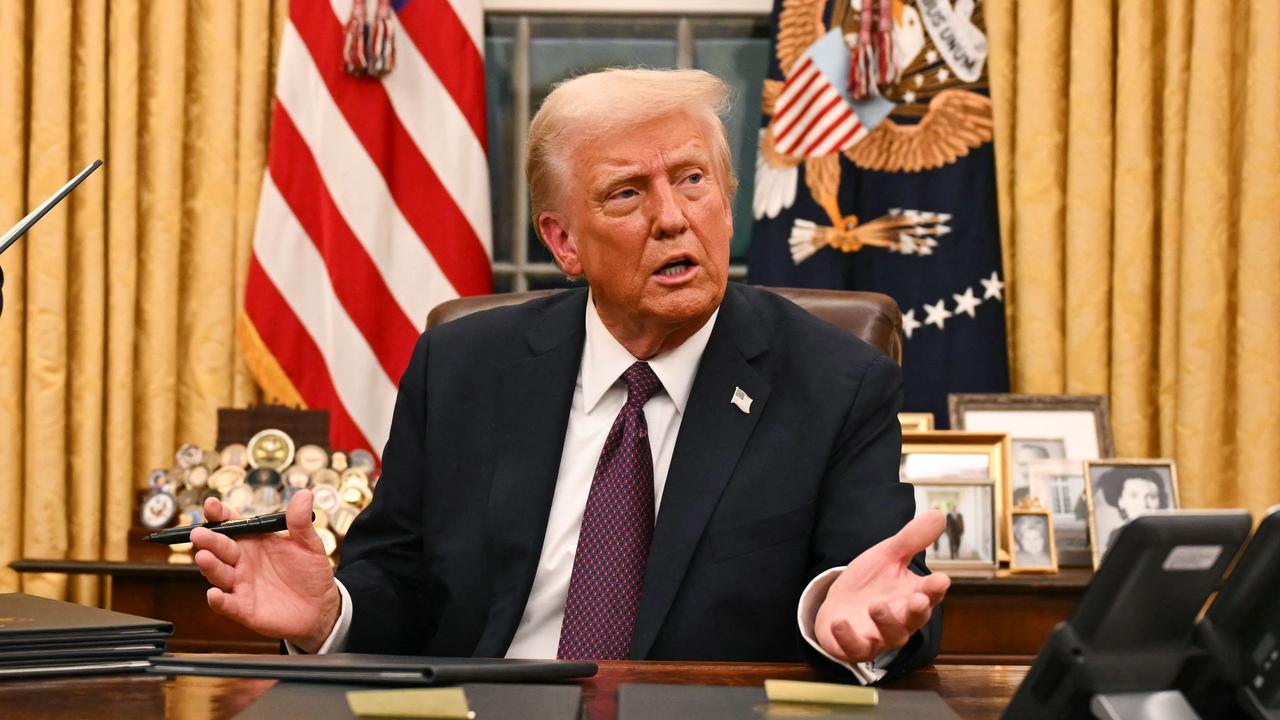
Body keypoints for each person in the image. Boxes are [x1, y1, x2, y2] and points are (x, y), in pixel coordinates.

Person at [190, 68, 948, 682]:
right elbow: (401, 580)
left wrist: (844, 621)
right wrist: (330, 617)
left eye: (692, 180)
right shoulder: (464, 366)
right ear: (563, 243)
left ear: (727, 201)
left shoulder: (836, 380)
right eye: (627, 193)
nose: (673, 218)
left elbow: (877, 586)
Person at [1093, 466, 1169, 554]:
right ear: (1120, 501)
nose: (1143, 504)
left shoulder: (1169, 533)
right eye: (1134, 496)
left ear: (1160, 500)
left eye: (1152, 496)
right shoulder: (1118, 535)